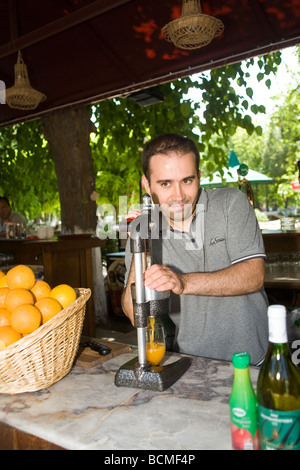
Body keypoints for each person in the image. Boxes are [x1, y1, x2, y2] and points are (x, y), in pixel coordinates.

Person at [121, 133, 269, 365]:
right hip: (190, 362)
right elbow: (134, 314)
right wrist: (140, 246)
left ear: (199, 177)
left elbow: (254, 275)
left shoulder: (230, 203)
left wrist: (183, 282)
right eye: (165, 183)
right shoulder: (145, 232)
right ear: (146, 185)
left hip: (252, 360)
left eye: (187, 180)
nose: (179, 195)